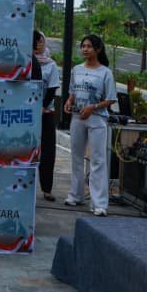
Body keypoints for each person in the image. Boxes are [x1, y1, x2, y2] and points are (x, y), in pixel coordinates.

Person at [64, 34, 116, 216]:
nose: (85, 49)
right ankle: (76, 195)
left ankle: (99, 203)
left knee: (97, 160)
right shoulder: (76, 70)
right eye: (83, 46)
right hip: (77, 117)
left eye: (89, 46)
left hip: (96, 119)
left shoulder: (105, 73)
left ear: (98, 49)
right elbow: (72, 92)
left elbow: (111, 99)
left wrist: (93, 107)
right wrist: (69, 102)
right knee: (76, 157)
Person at [32, 31, 61, 201]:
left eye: (41, 41)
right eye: (35, 41)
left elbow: (52, 88)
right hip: (27, 114)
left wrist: (42, 106)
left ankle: (47, 189)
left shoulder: (51, 65)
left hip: (46, 113)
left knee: (48, 152)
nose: (38, 44)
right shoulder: (25, 61)